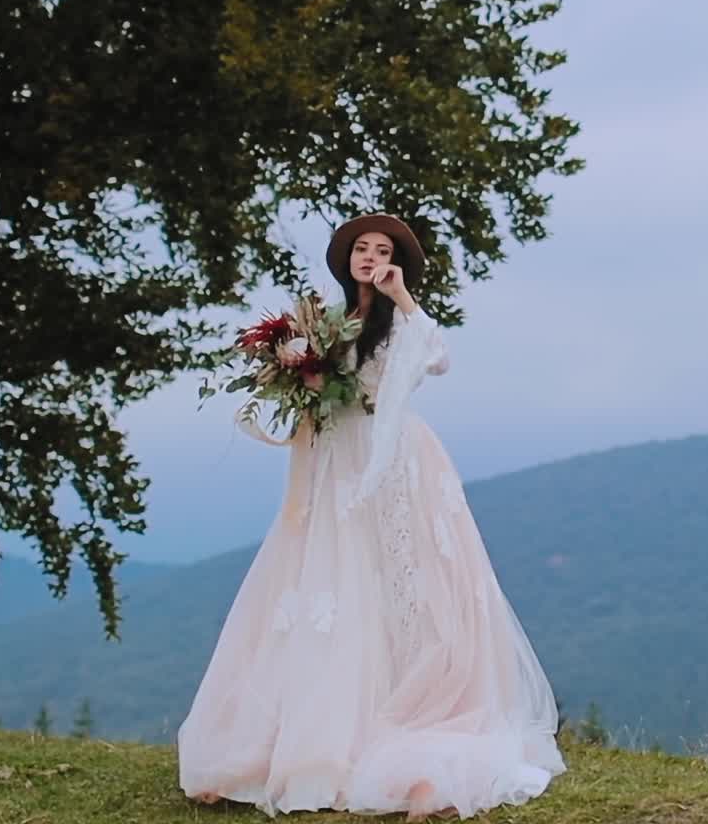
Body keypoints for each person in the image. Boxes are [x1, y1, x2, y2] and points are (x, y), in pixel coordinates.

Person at [178, 214, 565, 819]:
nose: (370, 257)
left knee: (401, 583)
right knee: (325, 584)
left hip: (394, 462)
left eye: (383, 250)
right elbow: (314, 389)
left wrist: (399, 294)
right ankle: (293, 744)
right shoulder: (325, 326)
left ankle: (409, 726)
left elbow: (436, 358)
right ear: (346, 258)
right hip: (333, 459)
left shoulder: (399, 320)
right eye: (362, 248)